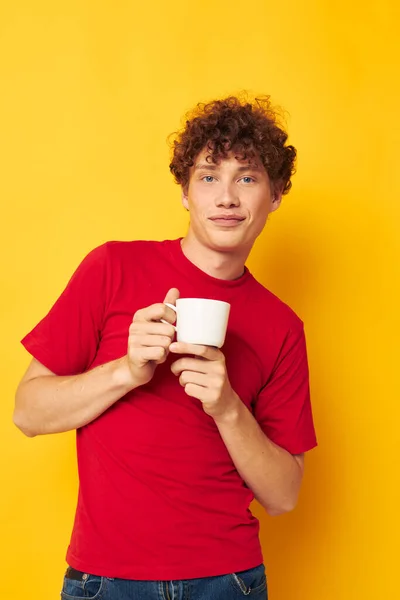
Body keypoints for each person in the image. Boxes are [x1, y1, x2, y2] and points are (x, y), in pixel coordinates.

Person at [14, 95, 317, 600]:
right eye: (207, 177)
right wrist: (127, 371)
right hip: (104, 581)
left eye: (246, 177)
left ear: (277, 193)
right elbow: (27, 412)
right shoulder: (112, 269)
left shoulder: (282, 326)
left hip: (230, 581)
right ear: (184, 192)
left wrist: (227, 408)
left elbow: (284, 495)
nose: (226, 197)